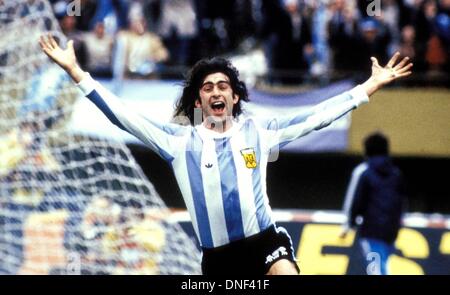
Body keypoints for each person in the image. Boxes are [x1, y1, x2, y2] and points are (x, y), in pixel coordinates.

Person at [39, 34, 412, 275]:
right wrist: (77, 72)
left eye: (223, 85)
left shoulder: (261, 132)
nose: (216, 91)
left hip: (265, 242)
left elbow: (318, 116)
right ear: (199, 99)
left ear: (234, 97)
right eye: (207, 87)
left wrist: (368, 86)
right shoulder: (176, 142)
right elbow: (122, 115)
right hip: (218, 261)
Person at [340, 132, 408, 275]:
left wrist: (348, 225)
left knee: (376, 268)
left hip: (371, 230)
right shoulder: (396, 174)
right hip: (391, 231)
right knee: (382, 265)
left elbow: (354, 200)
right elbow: (402, 202)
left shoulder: (363, 172)